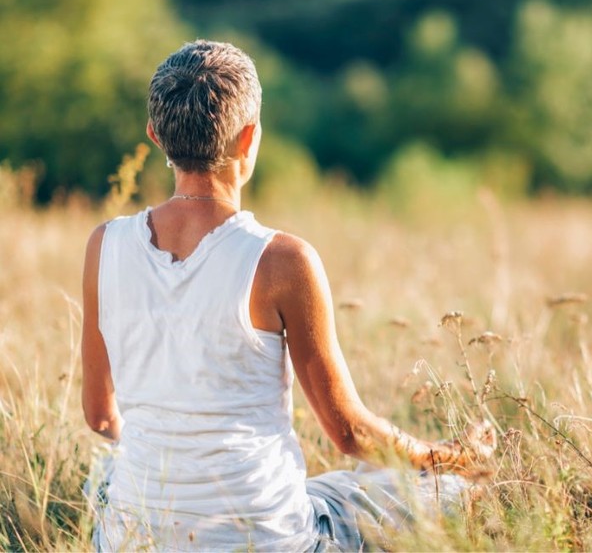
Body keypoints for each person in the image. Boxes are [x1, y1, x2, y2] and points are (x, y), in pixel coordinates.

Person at [81, 39, 496, 551]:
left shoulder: (105, 246)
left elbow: (100, 416)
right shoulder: (282, 260)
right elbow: (350, 436)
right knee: (444, 492)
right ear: (249, 137)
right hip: (269, 541)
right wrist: (451, 457)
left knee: (103, 478)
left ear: (155, 137)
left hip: (136, 540)